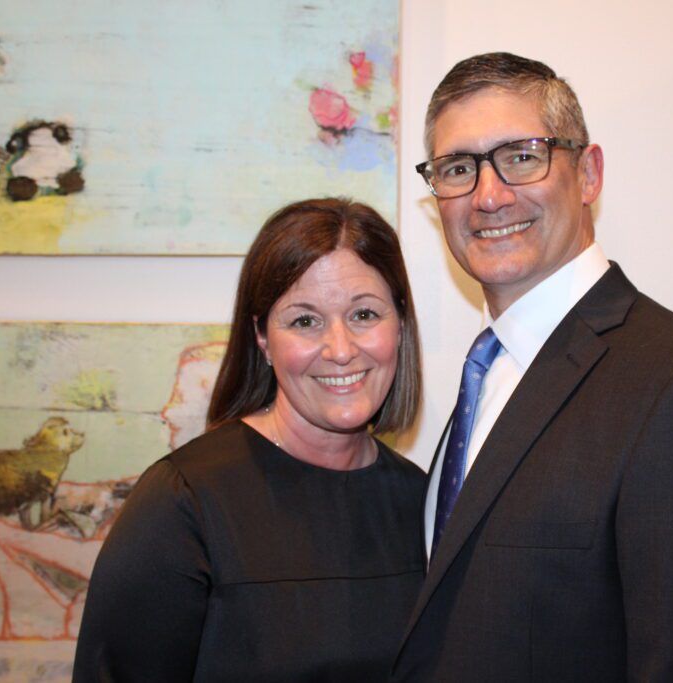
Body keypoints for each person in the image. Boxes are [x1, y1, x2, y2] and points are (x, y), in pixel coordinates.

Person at [396, 53, 673, 681]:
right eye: (458, 168)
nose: (489, 196)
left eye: (522, 156)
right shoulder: (488, 371)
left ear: (587, 174)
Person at [73, 198, 426, 681]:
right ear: (262, 337)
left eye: (364, 314)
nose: (341, 350)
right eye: (305, 321)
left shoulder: (423, 503)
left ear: (400, 324)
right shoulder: (183, 504)